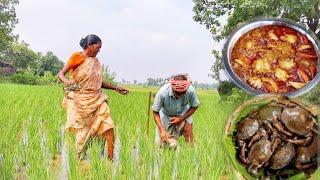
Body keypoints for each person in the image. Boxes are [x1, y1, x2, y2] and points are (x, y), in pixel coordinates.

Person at [58, 34, 128, 160]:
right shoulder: (77, 57)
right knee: (83, 135)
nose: (99, 50)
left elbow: (98, 82)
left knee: (109, 126)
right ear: (89, 46)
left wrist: (116, 88)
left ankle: (110, 161)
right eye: (98, 47)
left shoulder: (96, 62)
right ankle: (80, 162)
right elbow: (61, 74)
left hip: (97, 99)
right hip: (79, 101)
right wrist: (67, 82)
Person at [152, 74, 200, 147]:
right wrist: (161, 129)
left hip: (184, 113)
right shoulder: (162, 92)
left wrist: (181, 118)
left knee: (189, 136)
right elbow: (155, 112)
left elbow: (195, 106)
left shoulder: (191, 91)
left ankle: (192, 155)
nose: (179, 95)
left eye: (182, 93)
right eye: (177, 93)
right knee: (163, 142)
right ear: (172, 87)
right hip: (166, 114)